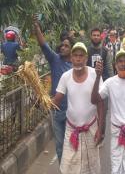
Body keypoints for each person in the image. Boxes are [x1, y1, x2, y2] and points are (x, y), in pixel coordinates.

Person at [91, 50, 125, 174]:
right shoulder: (110, 83)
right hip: (116, 132)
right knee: (116, 167)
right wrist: (98, 77)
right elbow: (94, 99)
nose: (123, 64)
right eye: (120, 61)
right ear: (115, 65)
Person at [52, 42, 105, 174]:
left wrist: (101, 129)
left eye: (81, 56)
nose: (78, 58)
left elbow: (100, 104)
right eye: (75, 55)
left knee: (91, 168)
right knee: (68, 167)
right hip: (72, 130)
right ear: (71, 58)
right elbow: (56, 101)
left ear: (86, 58)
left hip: (91, 129)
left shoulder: (95, 74)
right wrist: (42, 100)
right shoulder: (66, 77)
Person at [33, 17, 73, 163]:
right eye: (61, 45)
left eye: (66, 46)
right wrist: (37, 28)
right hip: (56, 111)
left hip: (72, 111)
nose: (63, 47)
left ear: (72, 50)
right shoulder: (55, 59)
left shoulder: (76, 67)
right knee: (60, 145)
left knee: (72, 144)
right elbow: (43, 45)